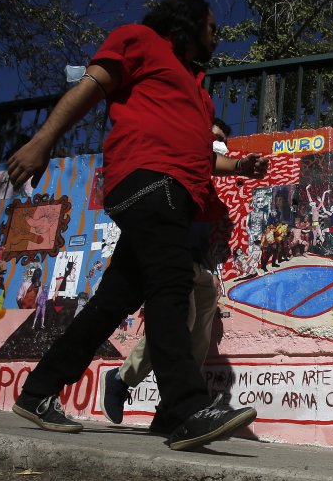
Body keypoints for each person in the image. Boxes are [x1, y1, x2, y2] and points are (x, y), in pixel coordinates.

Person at [6, 0, 268, 452]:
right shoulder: (140, 41)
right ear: (187, 21)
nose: (216, 36)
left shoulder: (198, 91)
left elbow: (203, 155)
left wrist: (240, 168)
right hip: (149, 180)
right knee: (171, 288)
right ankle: (184, 410)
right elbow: (89, 88)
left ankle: (38, 391)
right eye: (211, 26)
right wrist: (43, 141)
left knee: (111, 303)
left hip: (177, 195)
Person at [100, 121, 235, 433]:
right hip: (172, 260)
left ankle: (170, 411)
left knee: (199, 336)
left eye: (223, 140)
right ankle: (122, 380)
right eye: (215, 136)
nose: (219, 143)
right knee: (176, 325)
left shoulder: (205, 184)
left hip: (199, 265)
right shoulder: (174, 169)